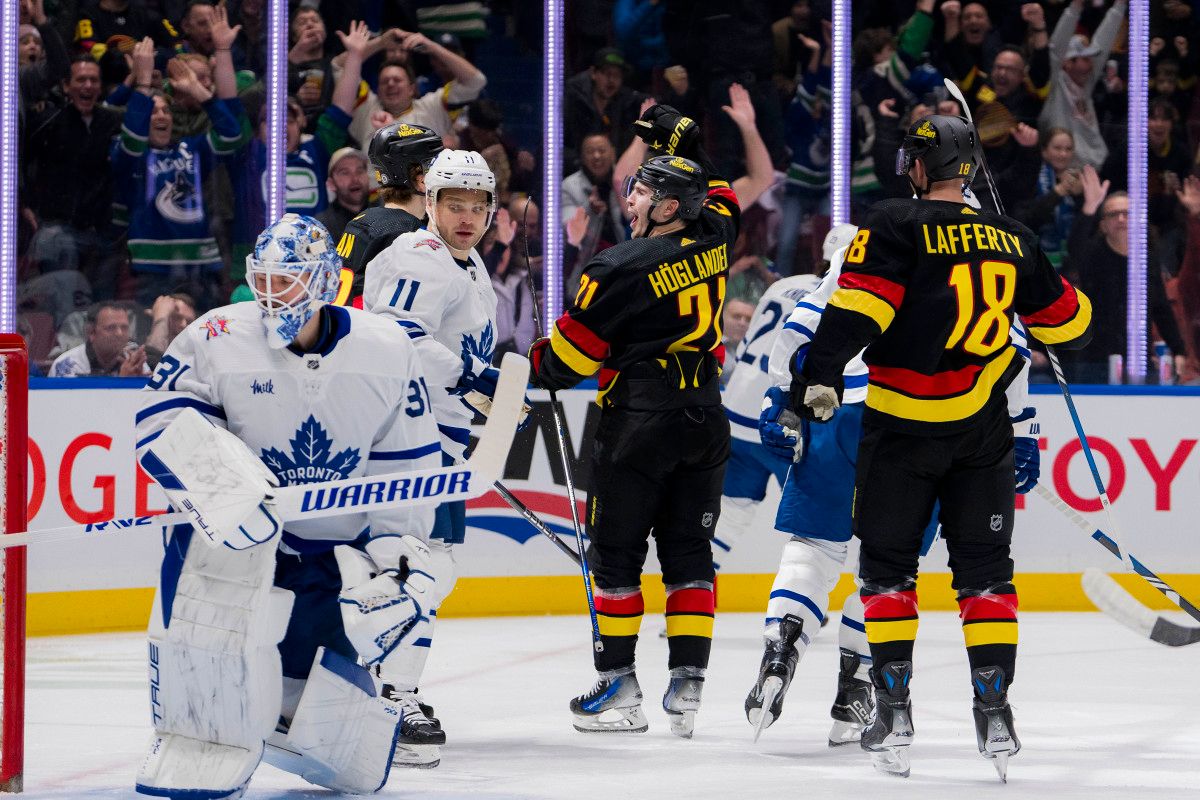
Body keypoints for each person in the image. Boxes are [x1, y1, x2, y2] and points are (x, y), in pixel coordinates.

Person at [790, 114, 1092, 779]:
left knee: (888, 573)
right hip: (981, 433)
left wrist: (815, 374)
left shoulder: (894, 224)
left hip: (901, 430)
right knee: (986, 576)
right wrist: (1025, 273)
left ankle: (893, 711)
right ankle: (995, 710)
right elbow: (1072, 321)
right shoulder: (1011, 238)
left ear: (920, 166)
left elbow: (859, 314)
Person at [133, 213, 443, 797]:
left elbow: (407, 462)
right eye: (266, 279)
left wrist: (394, 550)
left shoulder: (385, 347)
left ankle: (297, 710)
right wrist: (223, 492)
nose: (273, 295)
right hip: (227, 545)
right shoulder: (214, 335)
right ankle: (203, 735)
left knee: (332, 737)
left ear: (326, 282)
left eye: (290, 280)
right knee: (208, 702)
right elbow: (163, 419)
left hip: (331, 550)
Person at [745, 227, 1041, 749]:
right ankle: (856, 687)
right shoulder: (985, 252)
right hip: (919, 422)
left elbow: (803, 323)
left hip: (837, 409)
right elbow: (1011, 348)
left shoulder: (876, 238)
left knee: (815, 545)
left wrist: (780, 395)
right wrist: (1019, 428)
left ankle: (782, 645)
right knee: (885, 563)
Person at [528, 105, 741, 740]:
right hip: (706, 414)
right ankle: (688, 684)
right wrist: (689, 144)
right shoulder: (717, 234)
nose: (634, 194)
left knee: (615, 556)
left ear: (674, 206)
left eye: (647, 189)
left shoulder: (617, 265)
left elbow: (567, 362)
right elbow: (723, 193)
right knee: (690, 553)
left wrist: (526, 360)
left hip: (640, 419)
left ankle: (619, 683)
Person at [361, 149, 504, 766]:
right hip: (403, 438)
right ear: (430, 203)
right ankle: (388, 696)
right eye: (455, 204)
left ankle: (395, 691)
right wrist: (473, 377)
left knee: (433, 566)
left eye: (478, 206)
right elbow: (398, 337)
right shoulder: (419, 255)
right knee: (412, 564)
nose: (467, 217)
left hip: (441, 440)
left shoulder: (468, 265)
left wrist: (484, 391)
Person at [111, 37, 248, 310]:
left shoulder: (192, 149)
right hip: (152, 269)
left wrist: (200, 92)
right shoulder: (129, 153)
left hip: (201, 267)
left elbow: (233, 136)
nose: (161, 116)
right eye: (152, 111)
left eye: (165, 110)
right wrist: (142, 83)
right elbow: (133, 139)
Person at [1066, 167, 1190, 382]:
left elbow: (1160, 308)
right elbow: (1075, 246)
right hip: (1095, 361)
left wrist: (1178, 349)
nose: (1122, 219)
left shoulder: (1147, 258)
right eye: (1114, 214)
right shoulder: (1092, 254)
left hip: (1138, 360)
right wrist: (1090, 207)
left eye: (1128, 214)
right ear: (1103, 225)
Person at [334, 122, 443, 302]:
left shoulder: (363, 219)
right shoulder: (408, 235)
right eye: (435, 169)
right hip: (372, 328)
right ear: (421, 181)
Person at [1038, 0, 1128, 170]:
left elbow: (1103, 43)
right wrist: (1075, 7)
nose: (1093, 64)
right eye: (1086, 59)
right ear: (1067, 63)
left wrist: (1120, 5)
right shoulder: (1054, 86)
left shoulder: (1086, 85)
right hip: (1065, 168)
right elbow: (1057, 48)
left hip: (1095, 167)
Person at [48, 301, 149, 377]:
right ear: (91, 332)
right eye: (111, 328)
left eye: (124, 328)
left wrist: (140, 381)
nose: (119, 333)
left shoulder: (134, 362)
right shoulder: (67, 365)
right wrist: (122, 382)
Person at [317, 147, 371, 242]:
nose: (355, 179)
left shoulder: (387, 216)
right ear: (331, 184)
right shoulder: (322, 227)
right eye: (345, 173)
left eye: (359, 171)